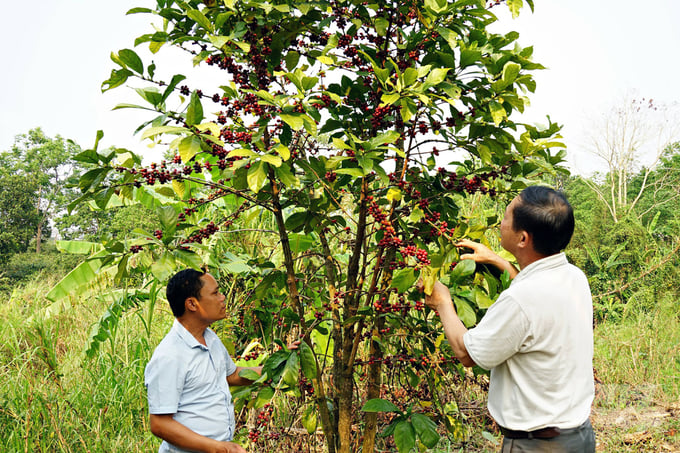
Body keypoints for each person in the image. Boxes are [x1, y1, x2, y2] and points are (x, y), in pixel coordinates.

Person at [422, 186, 596, 452]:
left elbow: (467, 352)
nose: (501, 223)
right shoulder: (574, 277)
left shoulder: (520, 301)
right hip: (578, 436)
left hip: (538, 445)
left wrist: (443, 303)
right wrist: (496, 260)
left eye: (505, 217)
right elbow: (536, 305)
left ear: (523, 238)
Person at [145, 268, 259, 453]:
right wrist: (220, 448)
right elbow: (159, 424)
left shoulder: (210, 337)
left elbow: (232, 375)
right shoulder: (170, 355)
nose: (222, 298)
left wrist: (281, 365)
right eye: (215, 293)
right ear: (192, 304)